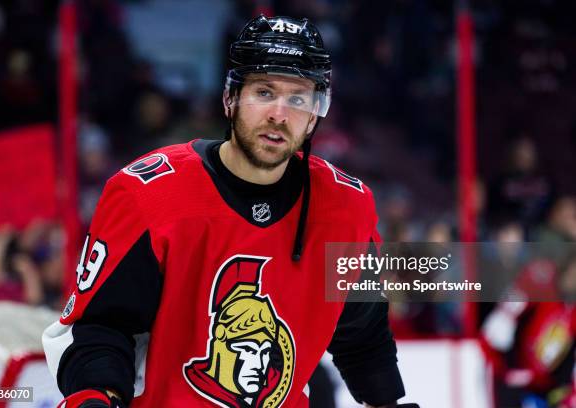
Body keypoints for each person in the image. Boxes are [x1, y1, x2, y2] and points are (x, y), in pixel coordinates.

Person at [43, 15, 407, 408]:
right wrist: (98, 396)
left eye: (298, 98)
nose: (280, 115)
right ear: (230, 98)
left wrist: (388, 403)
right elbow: (102, 328)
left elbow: (363, 337)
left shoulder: (345, 209)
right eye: (264, 92)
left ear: (317, 111)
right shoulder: (148, 194)